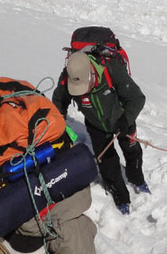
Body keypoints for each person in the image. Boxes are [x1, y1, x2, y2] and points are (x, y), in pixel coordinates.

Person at [52, 50, 148, 214]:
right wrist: (60, 124)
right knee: (108, 162)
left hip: (123, 121)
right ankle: (120, 196)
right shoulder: (68, 78)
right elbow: (59, 101)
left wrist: (126, 119)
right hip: (95, 125)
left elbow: (137, 98)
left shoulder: (111, 69)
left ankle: (137, 178)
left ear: (91, 74)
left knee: (132, 150)